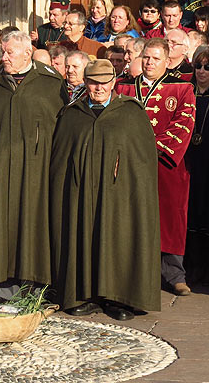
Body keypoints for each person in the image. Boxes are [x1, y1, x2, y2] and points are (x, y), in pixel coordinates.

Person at [50, 59, 160, 319]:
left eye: (104, 82)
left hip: (120, 195)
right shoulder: (73, 114)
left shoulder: (131, 113)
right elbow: (60, 160)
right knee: (81, 235)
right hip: (81, 194)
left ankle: (118, 297)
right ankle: (82, 293)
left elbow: (141, 164)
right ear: (85, 83)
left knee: (118, 237)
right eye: (93, 82)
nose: (99, 88)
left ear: (113, 83)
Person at [0, 30, 67, 304]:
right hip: (0, 170)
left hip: (37, 171)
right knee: (1, 225)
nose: (5, 58)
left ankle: (35, 285)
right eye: (3, 52)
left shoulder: (49, 82)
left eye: (10, 53)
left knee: (34, 225)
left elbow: (60, 125)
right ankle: (4, 288)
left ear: (28, 52)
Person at [116, 38, 195, 296]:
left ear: (167, 61)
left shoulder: (182, 89)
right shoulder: (124, 87)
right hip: (130, 163)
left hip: (168, 165)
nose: (150, 63)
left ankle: (174, 275)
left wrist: (151, 149)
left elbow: (183, 124)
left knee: (171, 218)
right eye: (147, 57)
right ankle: (136, 273)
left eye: (156, 58)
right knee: (133, 217)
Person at [184, 48, 209, 286]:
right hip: (188, 160)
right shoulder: (186, 91)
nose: (202, 71)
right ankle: (192, 264)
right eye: (198, 66)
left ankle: (208, 267)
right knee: (189, 211)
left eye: (208, 67)